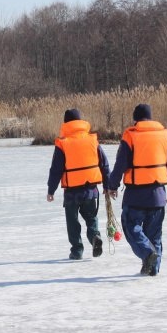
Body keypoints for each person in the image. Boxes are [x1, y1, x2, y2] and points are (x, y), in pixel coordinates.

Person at [105, 103, 167, 276]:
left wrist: (112, 185)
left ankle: (148, 254)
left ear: (135, 119)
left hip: (136, 195)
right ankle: (152, 268)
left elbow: (120, 164)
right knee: (154, 235)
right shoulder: (163, 137)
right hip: (158, 196)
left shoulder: (131, 136)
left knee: (131, 226)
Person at [47, 109, 110, 260]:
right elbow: (104, 164)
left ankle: (77, 250)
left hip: (71, 192)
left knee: (72, 222)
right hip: (90, 190)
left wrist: (51, 190)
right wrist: (108, 186)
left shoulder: (63, 143)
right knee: (91, 218)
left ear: (66, 123)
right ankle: (95, 237)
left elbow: (56, 169)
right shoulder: (92, 141)